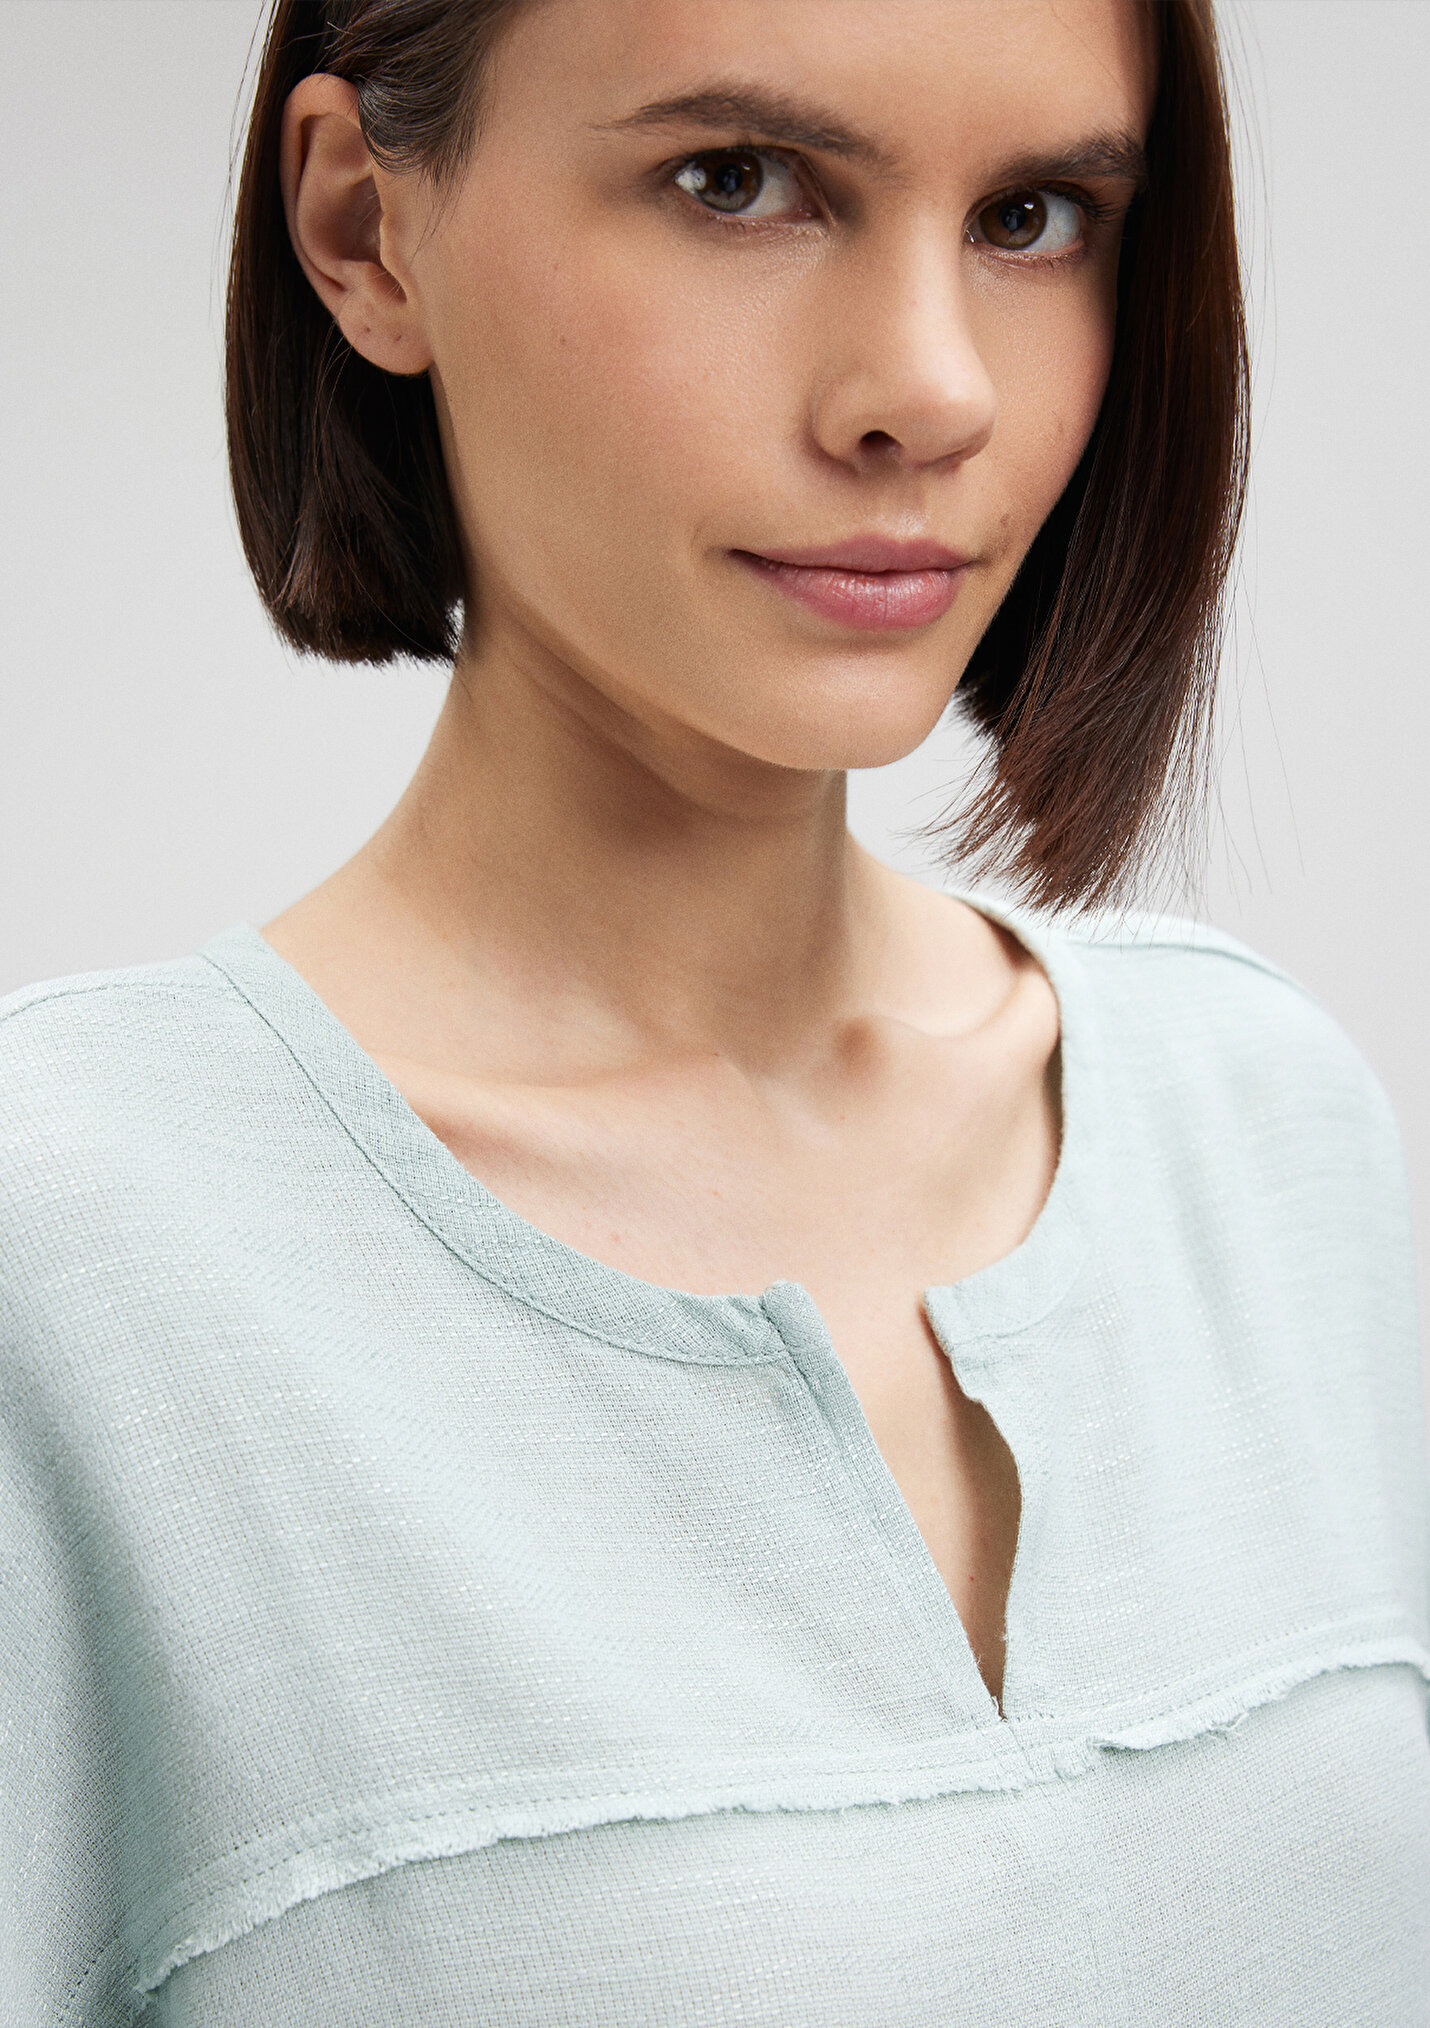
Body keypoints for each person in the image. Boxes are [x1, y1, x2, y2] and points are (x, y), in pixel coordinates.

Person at [3, 0, 1426, 2020]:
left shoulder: (1260, 1125)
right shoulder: (75, 1264)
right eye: (736, 182)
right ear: (361, 227)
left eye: (1031, 215)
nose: (929, 390)